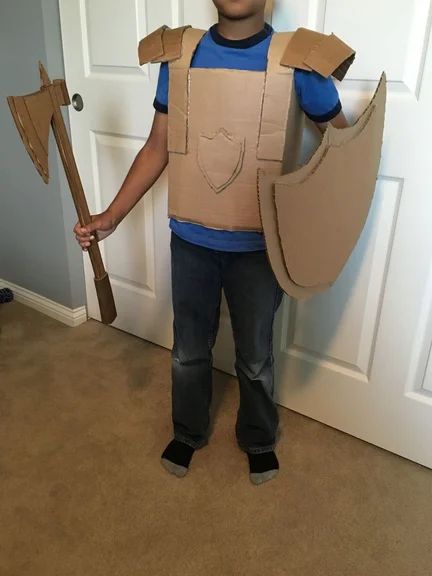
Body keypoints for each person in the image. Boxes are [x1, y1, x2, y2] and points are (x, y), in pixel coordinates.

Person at [74, 0, 349, 485]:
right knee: (187, 349)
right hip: (192, 242)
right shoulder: (180, 57)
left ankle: (259, 436)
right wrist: (112, 216)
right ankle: (188, 429)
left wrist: (310, 222)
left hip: (259, 251)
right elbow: (157, 147)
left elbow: (343, 149)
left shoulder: (298, 61)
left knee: (256, 354)